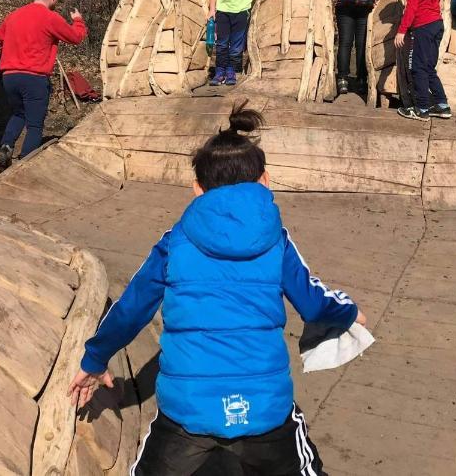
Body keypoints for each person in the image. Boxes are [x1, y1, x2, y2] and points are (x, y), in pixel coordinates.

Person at [68, 101, 365, 475]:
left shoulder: (173, 243)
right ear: (265, 180)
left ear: (197, 189)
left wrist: (95, 359)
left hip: (188, 410)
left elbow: (131, 309)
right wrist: (350, 311)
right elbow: (316, 303)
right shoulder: (277, 242)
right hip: (264, 408)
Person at [0, 0, 87, 171]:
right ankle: (25, 164)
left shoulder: (14, 15)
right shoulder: (50, 17)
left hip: (9, 76)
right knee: (35, 124)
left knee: (19, 113)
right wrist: (78, 20)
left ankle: (6, 146)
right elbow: (76, 37)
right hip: (34, 77)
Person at [394, 0, 451, 120]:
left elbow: (411, 7)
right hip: (437, 24)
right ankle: (442, 105)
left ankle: (422, 109)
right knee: (428, 67)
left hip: (423, 26)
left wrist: (402, 30)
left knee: (418, 68)